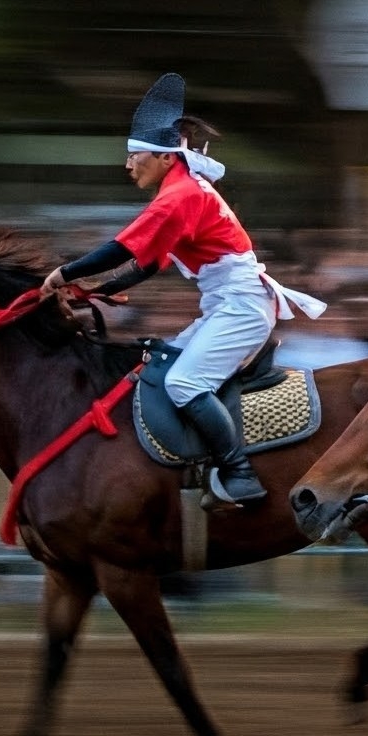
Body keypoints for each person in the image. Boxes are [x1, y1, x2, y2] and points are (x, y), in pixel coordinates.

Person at [41, 73, 324, 503]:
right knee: (164, 365)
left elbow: (119, 250)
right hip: (230, 304)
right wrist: (98, 289)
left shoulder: (178, 197)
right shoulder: (181, 191)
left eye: (135, 155)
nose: (128, 165)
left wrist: (62, 275)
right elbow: (146, 264)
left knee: (183, 384)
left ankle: (239, 472)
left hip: (241, 307)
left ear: (165, 157)